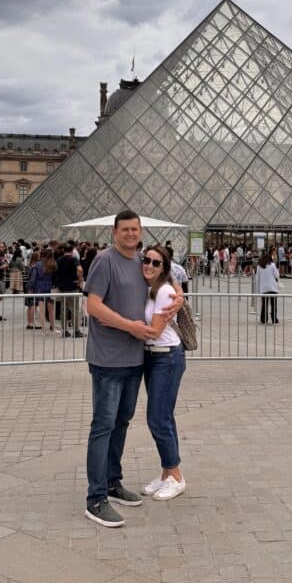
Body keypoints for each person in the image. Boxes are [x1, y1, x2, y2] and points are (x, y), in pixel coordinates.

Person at [83, 210, 182, 528]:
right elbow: (93, 305)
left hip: (134, 360)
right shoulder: (104, 260)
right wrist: (132, 328)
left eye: (135, 229)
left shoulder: (142, 262)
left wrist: (179, 298)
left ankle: (113, 481)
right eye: (125, 229)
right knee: (103, 425)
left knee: (121, 423)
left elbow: (167, 279)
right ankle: (95, 498)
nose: (130, 234)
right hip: (108, 358)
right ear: (114, 232)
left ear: (140, 232)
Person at [140, 245, 187, 501]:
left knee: (157, 418)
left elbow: (155, 332)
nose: (149, 265)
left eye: (156, 263)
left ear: (164, 268)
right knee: (163, 417)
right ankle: (166, 473)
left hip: (167, 357)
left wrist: (116, 323)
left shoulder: (164, 290)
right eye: (146, 260)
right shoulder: (151, 287)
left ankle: (177, 476)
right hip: (153, 357)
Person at [56, 242, 85, 337]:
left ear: (63, 250)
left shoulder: (59, 260)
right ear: (72, 250)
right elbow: (80, 269)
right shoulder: (74, 259)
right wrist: (80, 280)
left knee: (63, 309)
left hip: (62, 288)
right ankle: (76, 330)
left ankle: (64, 331)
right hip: (72, 287)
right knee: (74, 309)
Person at [28, 247, 57, 332]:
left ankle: (43, 329)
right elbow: (55, 278)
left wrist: (31, 288)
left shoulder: (37, 265)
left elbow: (33, 278)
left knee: (41, 310)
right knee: (51, 310)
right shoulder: (54, 264)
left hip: (40, 286)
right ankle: (53, 327)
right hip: (50, 286)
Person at [255, 252, 280, 324]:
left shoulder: (259, 266)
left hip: (263, 288)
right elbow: (277, 275)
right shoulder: (272, 265)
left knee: (264, 304)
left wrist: (258, 290)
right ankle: (274, 319)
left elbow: (257, 279)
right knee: (273, 305)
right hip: (272, 288)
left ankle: (263, 319)